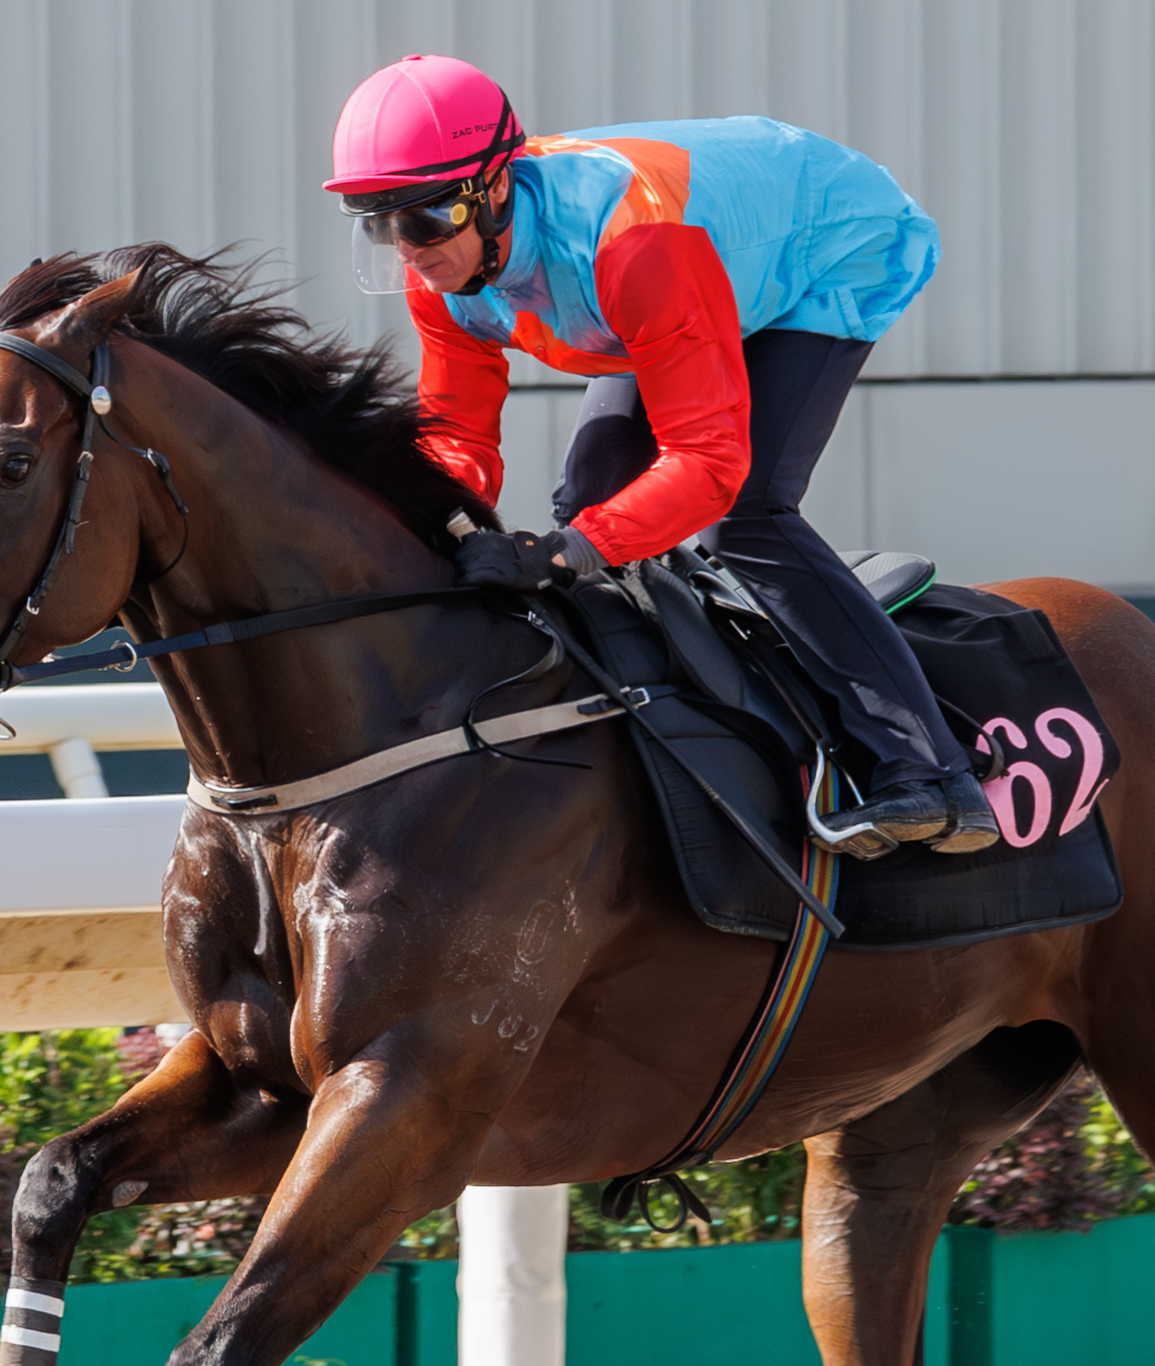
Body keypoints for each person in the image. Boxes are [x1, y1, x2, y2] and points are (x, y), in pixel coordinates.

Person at [323, 54, 997, 858]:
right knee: (592, 501)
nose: (409, 249)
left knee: (743, 513)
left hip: (823, 250)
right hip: (685, 274)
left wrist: (566, 553)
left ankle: (926, 773)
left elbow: (707, 464)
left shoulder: (633, 246)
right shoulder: (438, 278)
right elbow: (459, 442)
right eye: (381, 223)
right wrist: (423, 527)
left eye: (425, 219)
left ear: (494, 189)